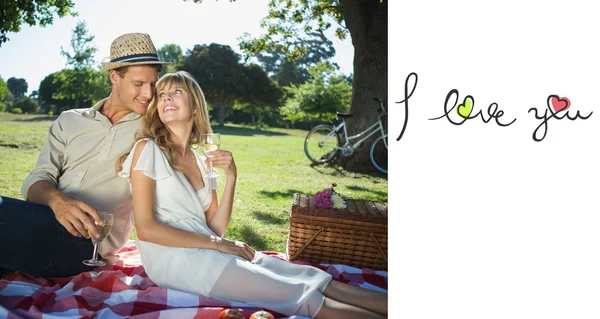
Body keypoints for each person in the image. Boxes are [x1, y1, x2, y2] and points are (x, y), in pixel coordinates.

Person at [116, 71, 388, 319]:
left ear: (195, 107)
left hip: (206, 249)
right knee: (300, 295)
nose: (166, 99)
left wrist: (231, 177)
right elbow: (147, 230)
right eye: (161, 95)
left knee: (311, 277)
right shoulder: (147, 149)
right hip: (175, 261)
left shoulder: (201, 161)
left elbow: (216, 228)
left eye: (176, 92)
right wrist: (216, 244)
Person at [0, 33, 169, 277]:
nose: (149, 93)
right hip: (40, 222)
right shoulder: (70, 120)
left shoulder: (155, 127)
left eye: (153, 83)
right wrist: (57, 201)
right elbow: (38, 178)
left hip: (88, 244)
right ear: (115, 77)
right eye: (139, 84)